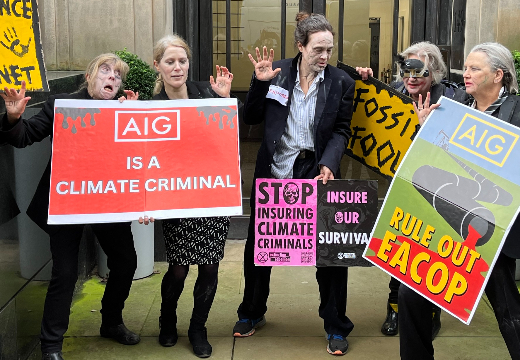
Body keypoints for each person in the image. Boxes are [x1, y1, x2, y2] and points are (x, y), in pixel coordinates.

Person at [396, 42, 520, 360]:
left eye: (475, 68)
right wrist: (424, 130)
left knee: (507, 308)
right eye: (466, 67)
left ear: (498, 75)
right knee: (411, 294)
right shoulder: (454, 102)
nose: (466, 74)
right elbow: (434, 155)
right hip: (446, 219)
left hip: (491, 226)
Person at [1, 54, 141, 360]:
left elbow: (141, 159)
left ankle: (112, 322)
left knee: (126, 261)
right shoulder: (61, 104)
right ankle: (51, 345)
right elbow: (25, 136)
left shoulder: (123, 110)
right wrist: (13, 118)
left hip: (108, 201)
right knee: (64, 273)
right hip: (68, 204)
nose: (112, 78)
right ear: (90, 75)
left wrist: (134, 115)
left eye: (118, 75)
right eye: (106, 70)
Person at [233, 12, 355, 356]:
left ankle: (335, 325)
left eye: (329, 49)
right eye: (318, 49)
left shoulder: (342, 82)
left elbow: (342, 129)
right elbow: (252, 117)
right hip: (274, 170)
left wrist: (330, 162)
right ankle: (251, 313)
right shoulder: (277, 74)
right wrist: (258, 83)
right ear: (300, 46)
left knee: (330, 252)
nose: (325, 57)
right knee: (260, 247)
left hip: (315, 171)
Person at [356, 41, 468, 338]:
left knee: (432, 254)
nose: (412, 77)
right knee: (399, 250)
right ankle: (395, 307)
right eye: (406, 70)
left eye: (419, 70)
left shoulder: (454, 99)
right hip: (402, 185)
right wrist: (362, 81)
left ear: (435, 71)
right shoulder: (392, 93)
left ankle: (431, 312)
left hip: (440, 190)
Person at [151, 34, 242, 359]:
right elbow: (140, 160)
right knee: (178, 268)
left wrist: (225, 99)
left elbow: (233, 134)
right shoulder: (151, 109)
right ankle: (167, 321)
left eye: (182, 61)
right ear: (157, 66)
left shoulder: (207, 93)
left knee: (209, 268)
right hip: (175, 200)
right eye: (170, 61)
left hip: (210, 197)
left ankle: (197, 328)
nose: (177, 67)